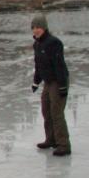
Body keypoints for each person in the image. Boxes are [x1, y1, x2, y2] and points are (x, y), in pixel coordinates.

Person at [31, 14, 72, 156]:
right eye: (33, 27)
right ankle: (51, 139)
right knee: (46, 111)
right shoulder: (37, 44)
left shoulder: (54, 43)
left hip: (58, 80)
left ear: (44, 28)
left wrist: (62, 86)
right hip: (47, 81)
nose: (35, 30)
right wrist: (36, 82)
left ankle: (64, 145)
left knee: (56, 113)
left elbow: (59, 65)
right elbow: (38, 65)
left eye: (38, 27)